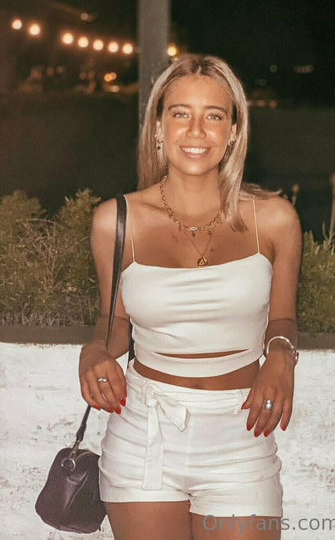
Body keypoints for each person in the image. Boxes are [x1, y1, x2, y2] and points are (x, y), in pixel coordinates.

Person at [79, 53, 302, 540]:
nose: (196, 131)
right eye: (180, 113)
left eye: (213, 116)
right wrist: (94, 352)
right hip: (144, 434)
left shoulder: (275, 219)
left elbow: (282, 319)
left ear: (233, 132)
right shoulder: (116, 221)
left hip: (242, 434)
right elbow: (114, 324)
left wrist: (282, 356)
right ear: (158, 127)